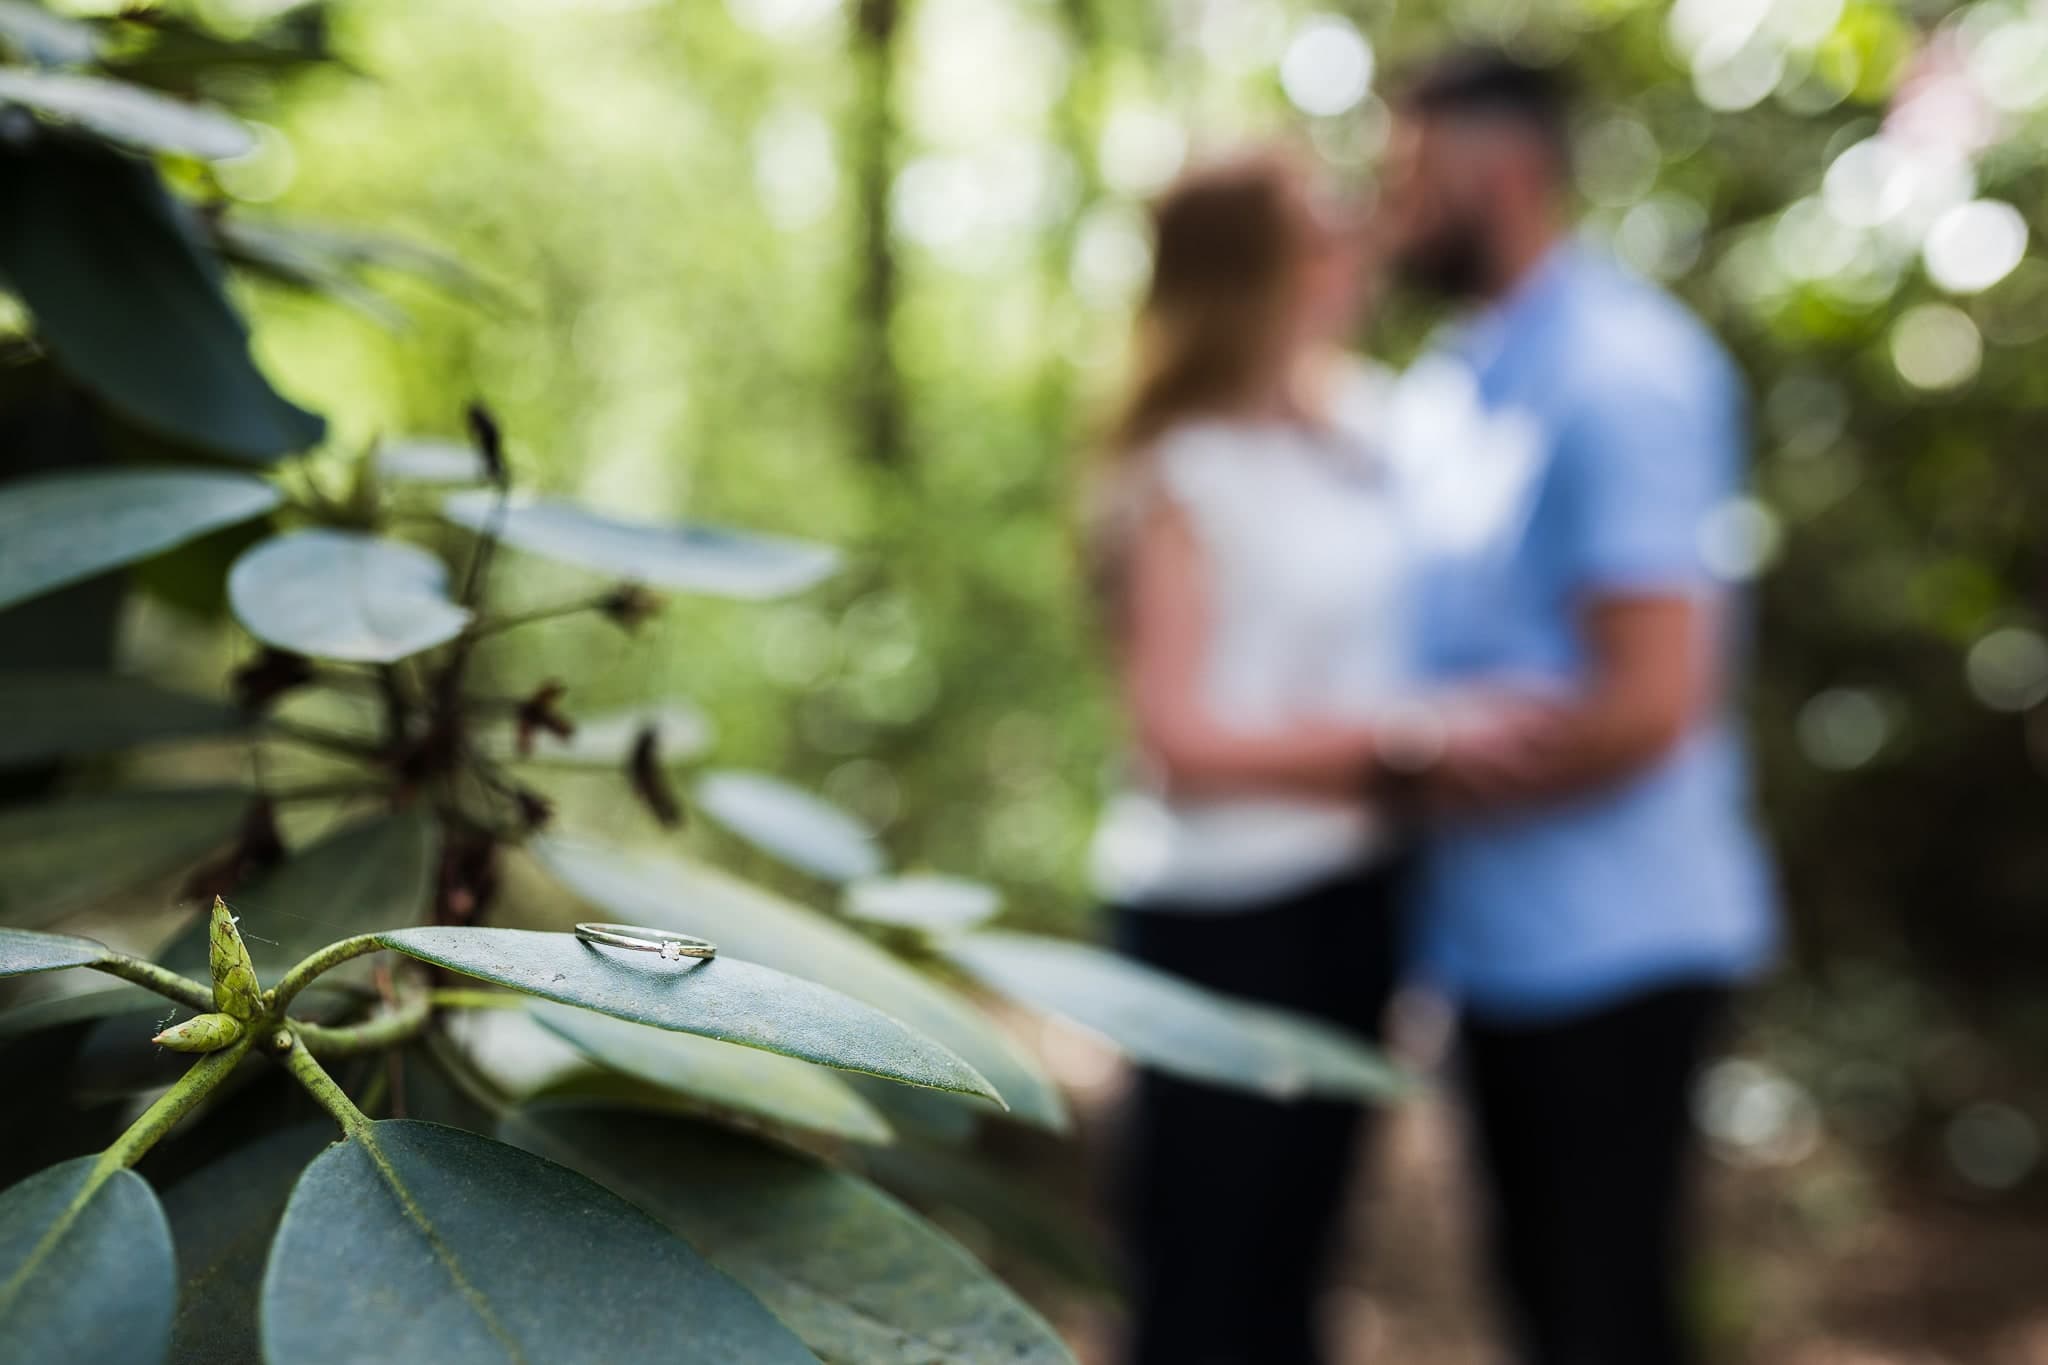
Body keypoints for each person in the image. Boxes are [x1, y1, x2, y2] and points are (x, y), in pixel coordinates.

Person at [1082, 149, 1414, 1365]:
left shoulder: (1370, 427)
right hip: (1216, 920)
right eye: (1316, 234)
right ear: (1245, 270)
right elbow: (1176, 738)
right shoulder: (1173, 466)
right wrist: (1402, 753)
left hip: (1357, 898)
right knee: (1199, 1279)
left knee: (1298, 1267)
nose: (1349, 253)